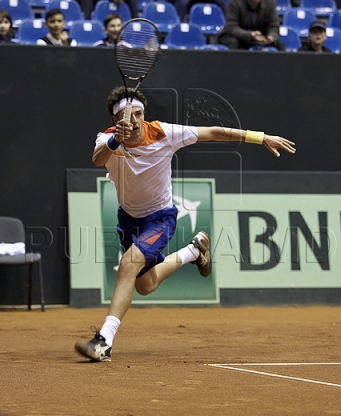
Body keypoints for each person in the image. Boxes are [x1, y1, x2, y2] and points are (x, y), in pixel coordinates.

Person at [75, 88, 296, 362]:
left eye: (139, 114)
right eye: (126, 115)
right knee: (145, 284)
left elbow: (215, 132)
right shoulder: (107, 138)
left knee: (128, 264)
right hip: (128, 219)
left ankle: (104, 341)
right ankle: (193, 251)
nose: (133, 120)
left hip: (160, 217)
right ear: (115, 117)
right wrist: (114, 142)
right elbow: (98, 159)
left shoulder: (164, 133)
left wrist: (259, 137)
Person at [217, 0, 285, 50]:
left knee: (279, 43)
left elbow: (274, 26)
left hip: (259, 37)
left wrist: (271, 37)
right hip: (236, 36)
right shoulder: (235, 2)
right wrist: (251, 35)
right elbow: (231, 28)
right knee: (233, 42)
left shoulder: (269, 2)